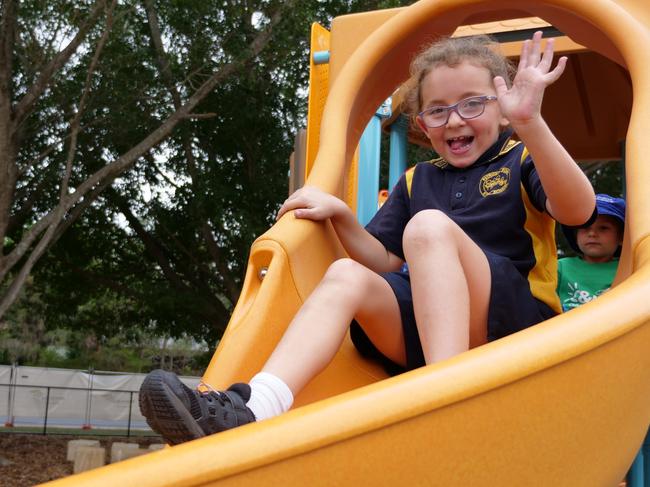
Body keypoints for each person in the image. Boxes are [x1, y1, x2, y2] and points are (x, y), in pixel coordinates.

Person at [139, 31, 596, 445]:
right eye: (437, 110)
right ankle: (257, 406)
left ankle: (445, 395)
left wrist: (531, 124)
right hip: (427, 332)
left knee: (428, 226)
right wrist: (341, 215)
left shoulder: (520, 159)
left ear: (501, 106)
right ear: (422, 121)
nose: (455, 120)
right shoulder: (419, 179)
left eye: (472, 103)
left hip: (513, 327)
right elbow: (384, 260)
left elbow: (578, 210)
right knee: (344, 274)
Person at [556, 193, 625, 311]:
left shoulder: (627, 269)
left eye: (603, 228)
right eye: (585, 227)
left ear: (621, 238)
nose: (592, 234)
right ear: (576, 235)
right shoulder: (561, 267)